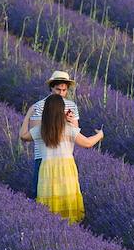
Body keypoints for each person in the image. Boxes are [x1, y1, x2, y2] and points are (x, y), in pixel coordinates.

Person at [31, 94, 102, 223]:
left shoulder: (41, 130)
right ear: (61, 111)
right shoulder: (68, 129)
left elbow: (23, 135)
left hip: (47, 170)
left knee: (49, 203)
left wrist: (28, 114)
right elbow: (87, 143)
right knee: (67, 202)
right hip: (65, 169)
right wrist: (100, 135)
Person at [20, 70, 81, 200]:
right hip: (43, 156)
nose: (61, 93)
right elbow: (37, 132)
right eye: (58, 90)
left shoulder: (72, 106)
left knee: (64, 197)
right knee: (40, 195)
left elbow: (75, 132)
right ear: (51, 88)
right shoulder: (40, 106)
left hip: (64, 157)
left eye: (64, 90)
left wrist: (69, 122)